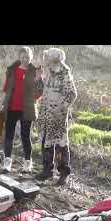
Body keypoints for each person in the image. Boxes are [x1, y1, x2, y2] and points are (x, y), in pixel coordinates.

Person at [35, 48, 77, 186]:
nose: (45, 59)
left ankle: (63, 172)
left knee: (60, 145)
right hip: (46, 114)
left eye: (47, 57)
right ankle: (47, 169)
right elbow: (42, 91)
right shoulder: (49, 71)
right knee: (46, 143)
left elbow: (72, 94)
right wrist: (38, 78)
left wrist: (61, 107)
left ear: (54, 58)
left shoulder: (64, 72)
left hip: (58, 116)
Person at [1, 46, 43, 173]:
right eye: (23, 57)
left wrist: (38, 79)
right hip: (12, 108)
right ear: (19, 57)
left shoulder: (35, 72)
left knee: (25, 136)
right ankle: (7, 161)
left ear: (31, 57)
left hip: (27, 109)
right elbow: (5, 88)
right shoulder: (12, 70)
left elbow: (39, 93)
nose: (25, 59)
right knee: (9, 135)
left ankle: (27, 163)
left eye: (28, 57)